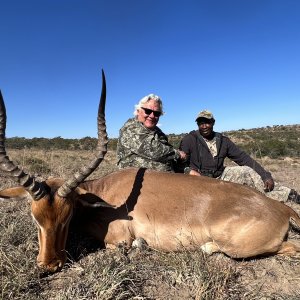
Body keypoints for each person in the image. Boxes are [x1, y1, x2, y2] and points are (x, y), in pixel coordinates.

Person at [179, 109, 300, 203]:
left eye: (207, 122)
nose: (204, 126)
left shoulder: (223, 140)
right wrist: (189, 171)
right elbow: (180, 163)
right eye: (201, 123)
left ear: (213, 123)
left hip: (219, 176)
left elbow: (243, 158)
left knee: (246, 171)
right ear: (197, 124)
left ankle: (288, 194)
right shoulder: (189, 140)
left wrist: (265, 175)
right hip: (198, 181)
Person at [117, 94, 186, 172]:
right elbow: (153, 150)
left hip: (165, 177)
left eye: (156, 113)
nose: (152, 116)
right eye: (148, 111)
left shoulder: (159, 132)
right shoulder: (130, 128)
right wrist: (178, 154)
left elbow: (168, 151)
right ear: (138, 111)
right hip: (135, 179)